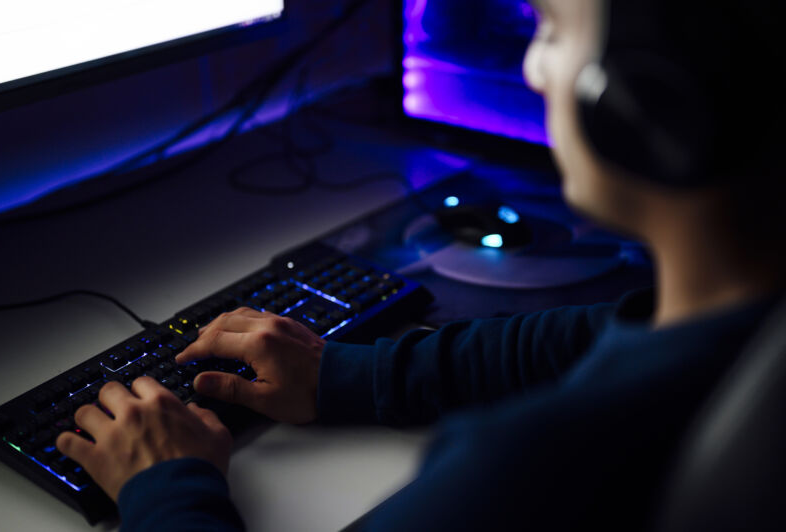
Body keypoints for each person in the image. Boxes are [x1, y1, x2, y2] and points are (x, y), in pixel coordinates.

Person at [55, 0, 786, 529]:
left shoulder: (524, 475)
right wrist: (351, 375)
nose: (532, 68)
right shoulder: (741, 324)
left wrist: (167, 489)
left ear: (660, 102)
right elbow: (606, 332)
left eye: (555, 32)